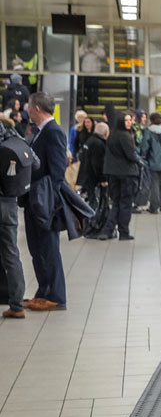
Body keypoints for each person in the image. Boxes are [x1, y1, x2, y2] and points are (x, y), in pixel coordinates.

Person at [21, 92, 68, 310]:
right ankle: (43, 291)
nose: (26, 110)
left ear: (37, 108)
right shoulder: (38, 132)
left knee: (49, 249)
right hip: (33, 199)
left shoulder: (53, 132)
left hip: (44, 201)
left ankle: (57, 296)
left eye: (29, 107)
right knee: (36, 249)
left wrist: (47, 199)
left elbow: (58, 172)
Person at [0, 110, 35, 319]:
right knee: (11, 254)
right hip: (9, 204)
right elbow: (35, 162)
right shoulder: (14, 141)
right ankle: (17, 305)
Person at [93, 111, 139, 241]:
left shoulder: (112, 135)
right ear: (121, 122)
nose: (130, 122)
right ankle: (123, 231)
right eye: (127, 120)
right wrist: (139, 161)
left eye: (130, 120)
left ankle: (107, 231)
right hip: (126, 173)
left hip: (113, 173)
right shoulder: (125, 135)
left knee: (116, 203)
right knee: (125, 203)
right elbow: (130, 155)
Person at [77, 120, 109, 234]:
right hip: (93, 178)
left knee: (91, 201)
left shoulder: (90, 141)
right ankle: (93, 226)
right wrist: (103, 179)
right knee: (95, 203)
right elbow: (98, 163)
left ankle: (89, 226)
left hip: (86, 175)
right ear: (105, 133)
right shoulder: (98, 144)